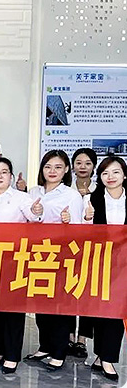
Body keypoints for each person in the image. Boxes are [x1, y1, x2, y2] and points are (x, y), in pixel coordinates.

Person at [0, 157, 41, 374]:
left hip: (15, 260)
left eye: (4, 172)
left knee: (14, 309)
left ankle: (12, 354)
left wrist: (37, 211)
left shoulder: (22, 198)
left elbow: (34, 217)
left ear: (11, 176)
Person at [25, 149, 83, 372]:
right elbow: (27, 221)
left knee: (59, 306)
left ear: (66, 170)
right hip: (38, 255)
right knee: (41, 304)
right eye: (48, 167)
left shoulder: (71, 195)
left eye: (58, 167)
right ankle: (45, 346)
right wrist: (35, 214)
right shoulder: (34, 191)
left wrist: (68, 221)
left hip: (61, 256)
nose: (52, 171)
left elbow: (78, 230)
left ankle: (59, 352)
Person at [82, 155, 127, 382]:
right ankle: (101, 355)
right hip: (99, 262)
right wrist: (87, 218)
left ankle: (108, 358)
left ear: (124, 175)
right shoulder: (91, 199)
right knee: (101, 310)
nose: (110, 177)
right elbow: (81, 232)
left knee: (117, 311)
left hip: (124, 264)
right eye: (105, 173)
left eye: (115, 172)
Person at [68, 147, 98, 357]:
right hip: (69, 248)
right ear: (73, 166)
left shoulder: (100, 190)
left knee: (87, 295)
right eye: (79, 163)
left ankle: (82, 340)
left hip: (92, 250)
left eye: (87, 163)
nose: (83, 167)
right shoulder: (66, 190)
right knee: (70, 292)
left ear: (94, 166)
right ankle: (69, 337)